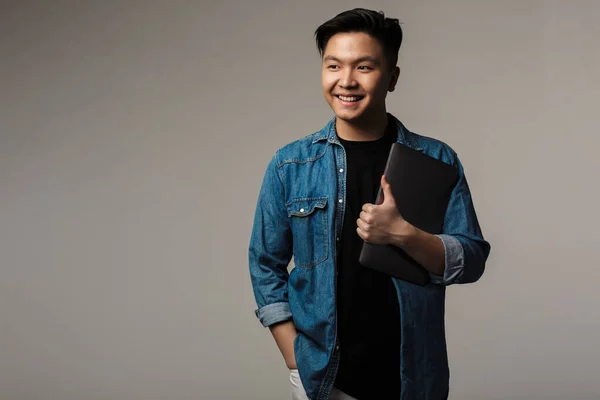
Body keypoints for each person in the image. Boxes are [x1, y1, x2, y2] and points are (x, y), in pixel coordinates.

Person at [248, 8, 491, 400]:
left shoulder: (435, 160)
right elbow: (264, 263)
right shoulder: (290, 165)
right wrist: (294, 356)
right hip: (324, 378)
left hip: (412, 377)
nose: (346, 81)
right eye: (333, 66)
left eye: (364, 67)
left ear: (392, 76)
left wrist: (404, 235)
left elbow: (472, 259)